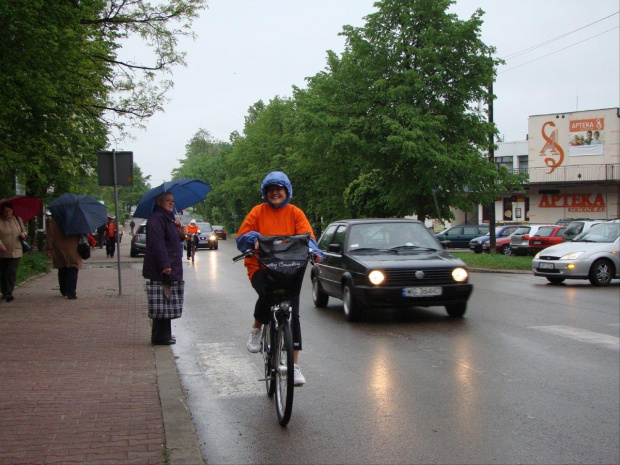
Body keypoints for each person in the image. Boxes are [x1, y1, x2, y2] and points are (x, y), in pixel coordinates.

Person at [236, 171, 323, 386]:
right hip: (260, 267)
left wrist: (313, 250)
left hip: (289, 268)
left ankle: (294, 367)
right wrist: (253, 238)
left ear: (287, 192)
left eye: (279, 189)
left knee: (293, 313)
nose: (275, 193)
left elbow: (308, 236)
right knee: (267, 292)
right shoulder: (258, 212)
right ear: (266, 193)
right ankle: (257, 329)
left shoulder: (295, 213)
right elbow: (241, 239)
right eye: (271, 190)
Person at [142, 192, 186, 345]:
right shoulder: (156, 219)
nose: (171, 203)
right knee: (161, 299)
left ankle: (165, 334)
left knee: (166, 300)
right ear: (159, 202)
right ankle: (160, 336)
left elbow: (172, 239)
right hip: (162, 266)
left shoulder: (168, 219)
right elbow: (158, 243)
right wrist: (164, 265)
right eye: (168, 200)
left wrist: (181, 233)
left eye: (173, 201)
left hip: (171, 263)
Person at [45, 217, 82, 300]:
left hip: (59, 248)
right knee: (73, 268)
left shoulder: (55, 220)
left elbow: (50, 235)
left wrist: (49, 248)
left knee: (62, 268)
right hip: (73, 248)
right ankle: (71, 292)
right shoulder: (76, 219)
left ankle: (63, 290)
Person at [0, 202, 28, 302]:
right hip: (3, 251)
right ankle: (4, 291)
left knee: (11, 271)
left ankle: (9, 292)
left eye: (9, 210)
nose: (7, 213)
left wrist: (23, 234)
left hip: (16, 250)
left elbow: (24, 231)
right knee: (3, 272)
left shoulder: (17, 219)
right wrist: (1, 244)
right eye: (4, 211)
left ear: (12, 211)